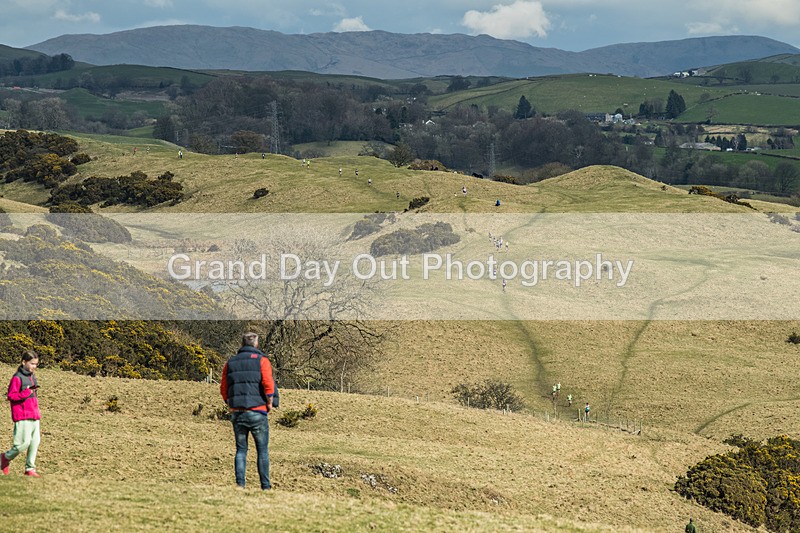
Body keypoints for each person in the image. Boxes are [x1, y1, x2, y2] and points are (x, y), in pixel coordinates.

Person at [220, 333, 277, 490]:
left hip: (238, 411)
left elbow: (223, 387)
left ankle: (240, 484)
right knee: (262, 451)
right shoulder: (262, 361)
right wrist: (270, 402)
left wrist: (229, 403)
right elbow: (268, 383)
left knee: (241, 450)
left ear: (242, 343)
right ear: (256, 344)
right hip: (257, 410)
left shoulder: (230, 362)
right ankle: (265, 486)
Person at [2, 350, 42, 477]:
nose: (34, 367)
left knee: (35, 442)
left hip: (34, 415)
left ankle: (30, 469)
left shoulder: (32, 376)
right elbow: (11, 396)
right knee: (22, 444)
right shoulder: (17, 378)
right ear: (24, 362)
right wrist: (25, 393)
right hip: (22, 415)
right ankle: (4, 458)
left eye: (36, 364)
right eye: (32, 364)